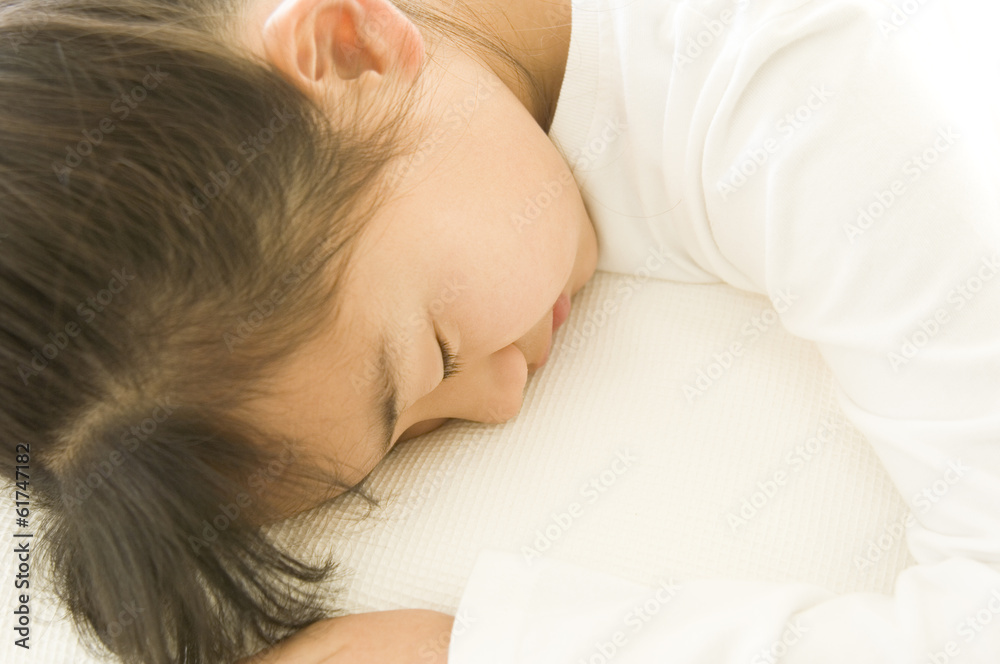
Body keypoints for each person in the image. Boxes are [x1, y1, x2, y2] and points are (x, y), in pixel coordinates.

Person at [1, 0, 997, 661]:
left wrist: (476, 649)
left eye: (431, 354)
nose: (499, 400)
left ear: (352, 44)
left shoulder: (802, 100)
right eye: (409, 441)